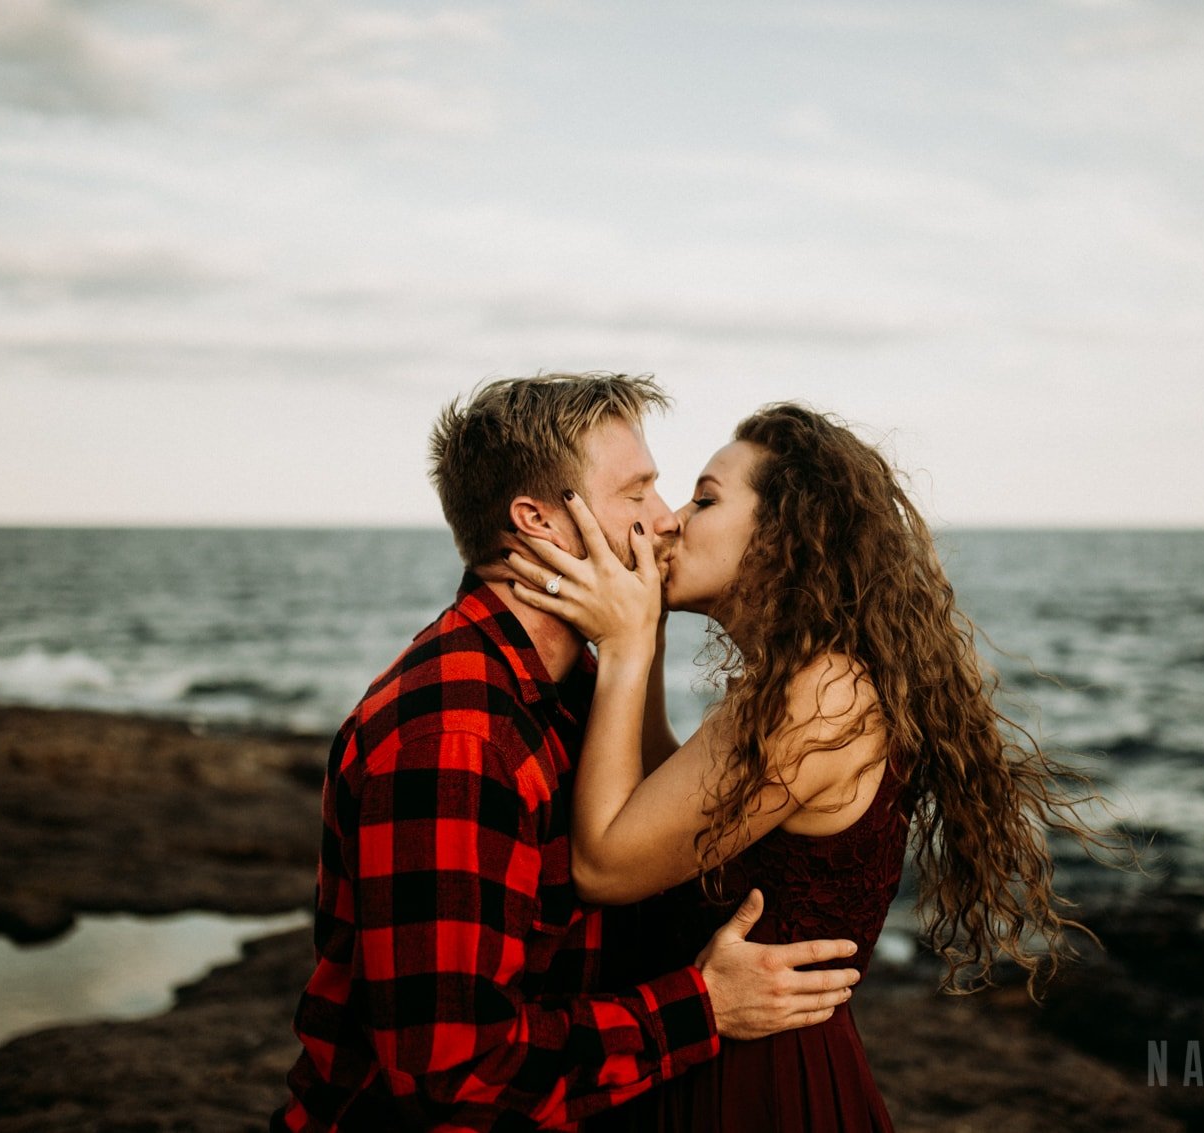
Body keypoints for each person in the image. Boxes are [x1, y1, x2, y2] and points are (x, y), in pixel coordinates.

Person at [272, 376, 865, 1133]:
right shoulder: (456, 734)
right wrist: (701, 1007)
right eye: (639, 492)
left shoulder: (577, 687)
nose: (665, 520)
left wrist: (634, 641)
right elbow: (453, 1076)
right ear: (538, 520)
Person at [505, 403, 1114, 1131]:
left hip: (759, 1086)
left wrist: (627, 649)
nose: (669, 521)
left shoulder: (822, 695)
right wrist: (648, 631)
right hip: (725, 1064)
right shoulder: (805, 681)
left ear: (782, 534)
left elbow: (606, 863)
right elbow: (666, 812)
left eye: (704, 499)